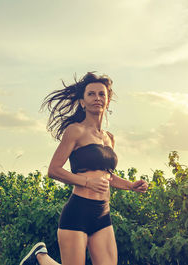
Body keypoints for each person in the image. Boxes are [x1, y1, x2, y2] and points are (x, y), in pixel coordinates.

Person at [19, 72, 149, 265]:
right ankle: (40, 257)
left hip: (103, 214)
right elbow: (54, 170)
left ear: (107, 100)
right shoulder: (75, 131)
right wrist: (87, 181)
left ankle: (39, 258)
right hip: (78, 211)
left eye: (101, 94)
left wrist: (131, 185)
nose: (97, 98)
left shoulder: (109, 138)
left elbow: (108, 176)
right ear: (82, 102)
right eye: (91, 94)